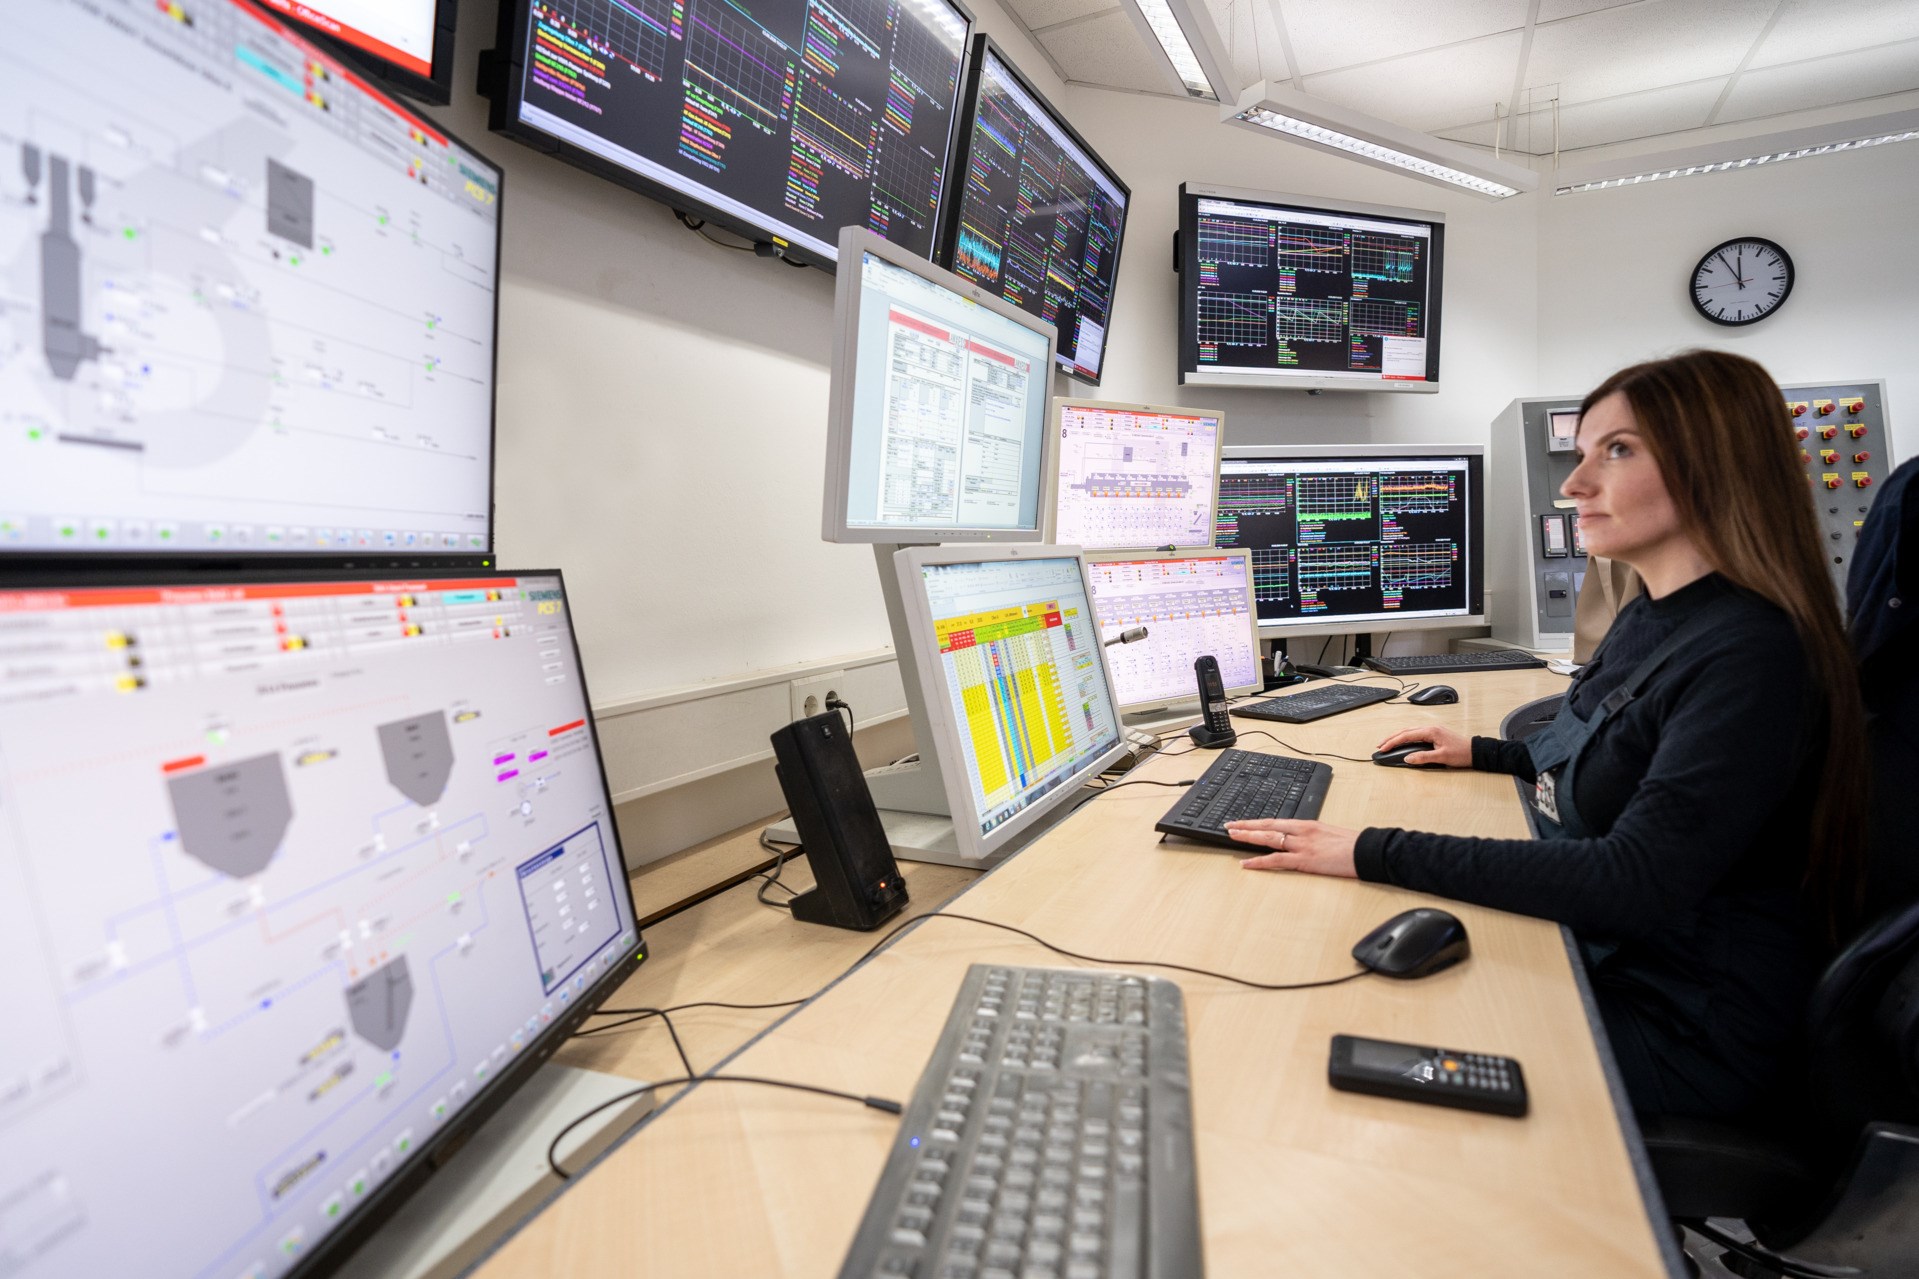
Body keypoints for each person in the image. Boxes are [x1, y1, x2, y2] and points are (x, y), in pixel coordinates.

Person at [1228, 349, 1867, 1121]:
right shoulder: (1659, 611)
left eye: (1617, 450)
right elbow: (1616, 755)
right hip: (1614, 960)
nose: (1571, 483)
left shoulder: (1753, 654)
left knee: (1347, 1050)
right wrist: (1487, 752)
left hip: (1686, 1028)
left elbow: (1631, 880)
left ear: (1714, 461)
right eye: (1581, 452)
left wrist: (1370, 849)